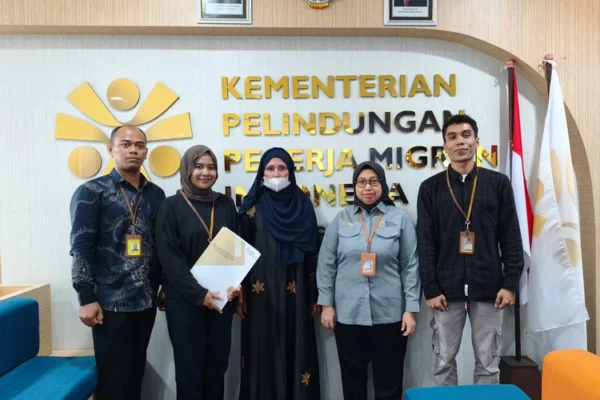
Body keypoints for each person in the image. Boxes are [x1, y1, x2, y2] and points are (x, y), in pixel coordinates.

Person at [416, 114, 524, 385]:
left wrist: (510, 283)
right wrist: (430, 288)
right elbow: (425, 243)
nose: (460, 142)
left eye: (466, 135)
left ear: (476, 141)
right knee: (443, 362)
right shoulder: (430, 188)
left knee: (488, 364)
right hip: (445, 290)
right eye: (452, 137)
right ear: (445, 146)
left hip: (489, 288)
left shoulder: (497, 184)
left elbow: (511, 236)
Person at [69, 125, 165, 400]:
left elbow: (162, 246)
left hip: (145, 300)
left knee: (136, 373)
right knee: (114, 380)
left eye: (139, 145)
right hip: (108, 303)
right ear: (111, 150)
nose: (133, 150)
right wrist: (86, 297)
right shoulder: (91, 191)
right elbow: (81, 246)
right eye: (125, 144)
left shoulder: (156, 194)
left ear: (145, 152)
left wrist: (165, 286)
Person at [318, 161, 421, 400]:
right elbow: (326, 264)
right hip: (348, 315)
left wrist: (411, 310)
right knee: (352, 382)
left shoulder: (400, 219)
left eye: (374, 182)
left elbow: (410, 266)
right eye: (362, 182)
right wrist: (327, 305)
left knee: (389, 383)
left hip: (390, 315)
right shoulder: (341, 220)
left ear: (382, 185)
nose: (367, 187)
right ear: (354, 186)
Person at [237, 147, 321, 400]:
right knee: (261, 350)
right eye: (270, 168)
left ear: (290, 172)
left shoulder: (303, 205)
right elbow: (238, 253)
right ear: (262, 172)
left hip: (297, 292)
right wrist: (240, 293)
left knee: (297, 346)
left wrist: (314, 294)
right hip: (259, 294)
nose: (276, 174)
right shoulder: (252, 206)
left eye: (282, 168)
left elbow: (312, 254)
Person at [155, 145, 239, 399]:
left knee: (217, 367)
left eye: (211, 167)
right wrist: (199, 294)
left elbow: (235, 249)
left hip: (221, 302)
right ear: (187, 169)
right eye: (199, 166)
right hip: (185, 302)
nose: (205, 172)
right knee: (189, 371)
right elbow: (170, 259)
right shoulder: (171, 206)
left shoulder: (225, 204)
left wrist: (236, 284)